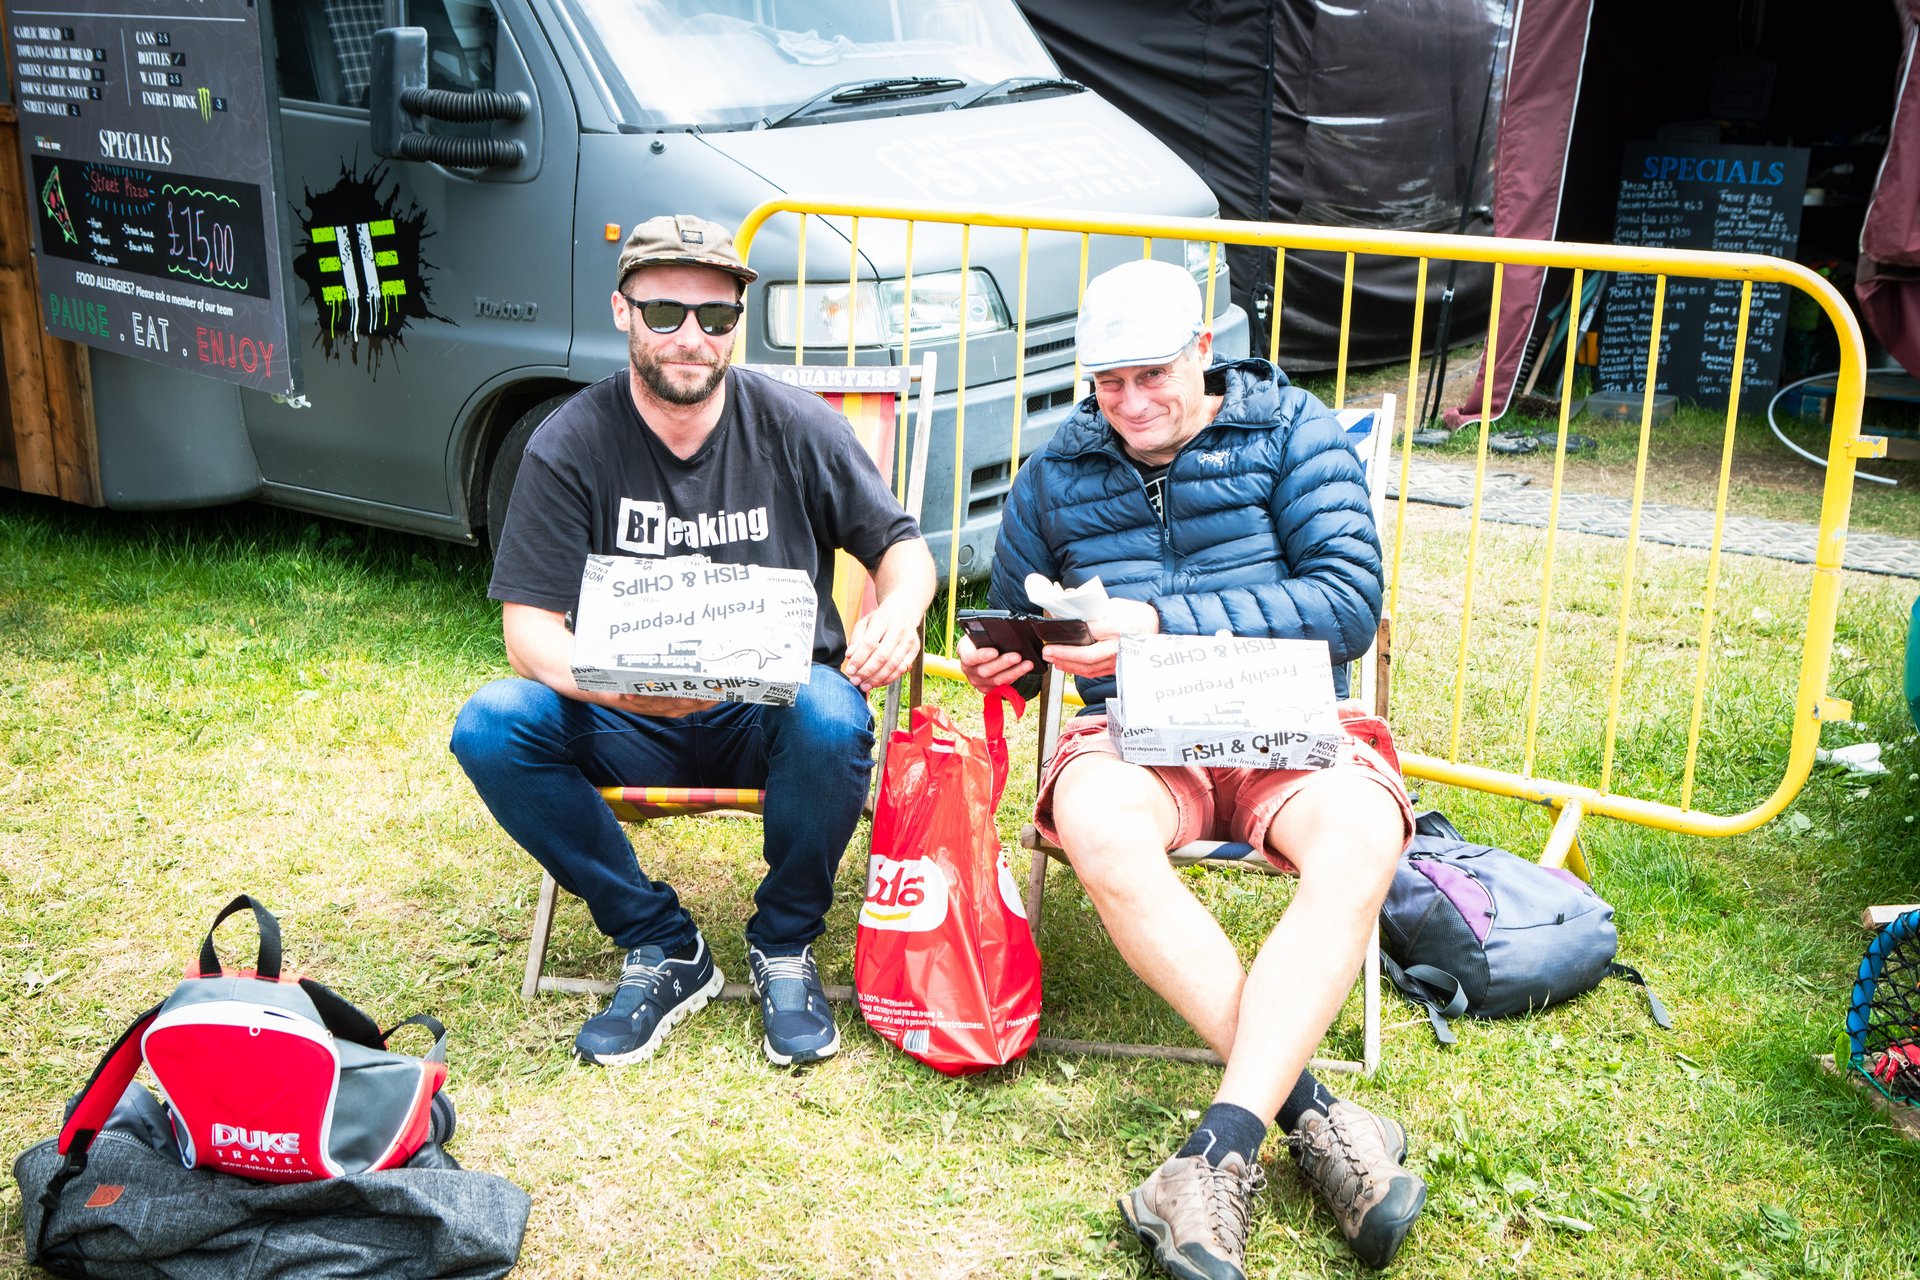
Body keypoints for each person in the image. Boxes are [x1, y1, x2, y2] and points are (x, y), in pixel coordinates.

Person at [958, 258, 1425, 1277]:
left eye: (1151, 374)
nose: (1126, 402)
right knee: (1094, 820)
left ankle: (1215, 1151)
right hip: (1135, 731)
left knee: (1359, 835)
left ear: (1205, 350)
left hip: (1284, 718)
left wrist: (1154, 619)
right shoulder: (1057, 470)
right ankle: (1317, 1116)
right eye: (1106, 381)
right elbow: (1022, 621)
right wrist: (1010, 654)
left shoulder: (1292, 429)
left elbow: (1347, 600)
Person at [452, 214, 935, 1069]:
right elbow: (526, 632)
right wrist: (623, 691)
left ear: (736, 325)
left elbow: (901, 549)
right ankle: (661, 941)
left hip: (768, 714)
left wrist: (899, 607)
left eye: (714, 319)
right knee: (491, 722)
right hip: (625, 714)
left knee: (832, 711)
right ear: (621, 311)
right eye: (664, 312)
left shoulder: (796, 425)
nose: (689, 337)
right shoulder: (570, 441)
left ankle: (784, 944)